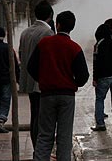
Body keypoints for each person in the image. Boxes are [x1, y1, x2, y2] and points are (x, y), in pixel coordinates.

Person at [28, 11, 89, 161]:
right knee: (64, 136)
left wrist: (43, 79)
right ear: (72, 27)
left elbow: (31, 66)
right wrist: (72, 83)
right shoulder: (74, 48)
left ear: (57, 24)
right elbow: (83, 76)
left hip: (47, 95)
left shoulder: (44, 44)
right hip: (67, 96)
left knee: (44, 135)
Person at [18, 0, 54, 150]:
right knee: (43, 119)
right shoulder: (48, 33)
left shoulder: (25, 32)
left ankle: (36, 150)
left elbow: (21, 55)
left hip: (28, 80)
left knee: (35, 115)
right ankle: (41, 152)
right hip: (42, 83)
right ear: (51, 15)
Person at [0, 27, 19, 133]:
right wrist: (18, 78)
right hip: (6, 79)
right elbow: (14, 65)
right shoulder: (8, 48)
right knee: (6, 99)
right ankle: (1, 120)